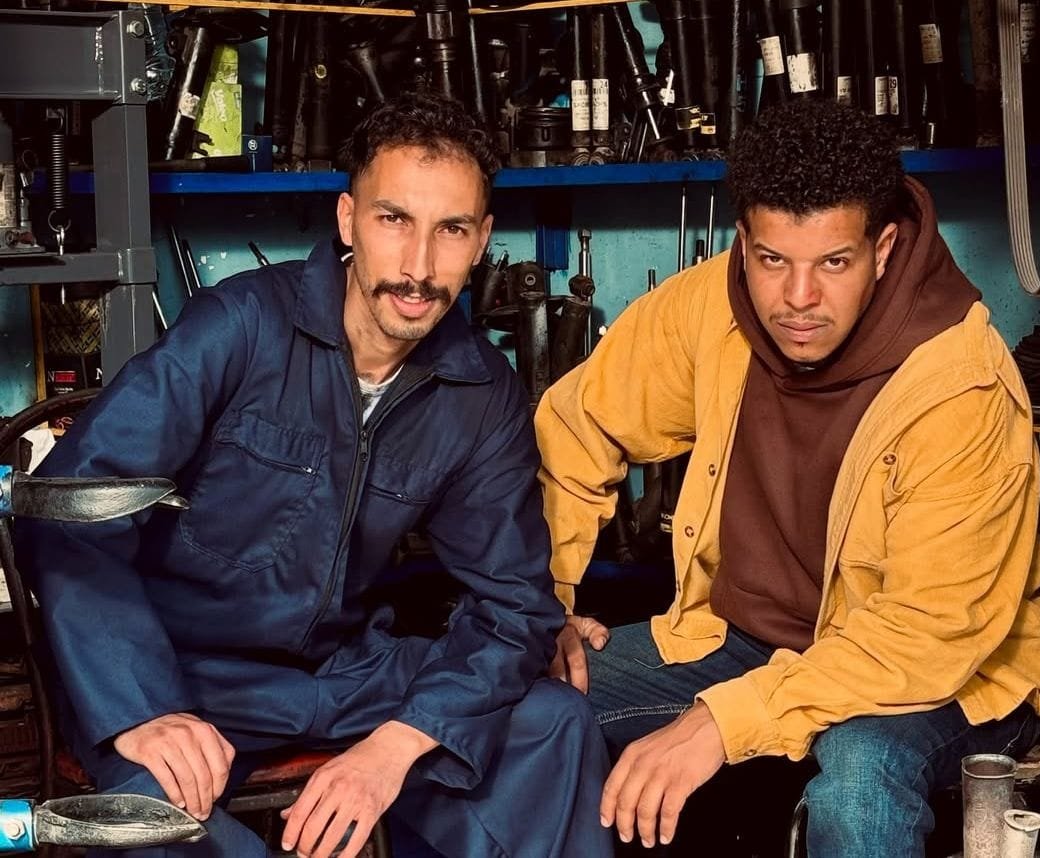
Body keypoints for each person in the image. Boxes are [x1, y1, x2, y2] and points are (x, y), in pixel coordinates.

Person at [20, 93, 612, 858]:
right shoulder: (238, 328)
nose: (419, 268)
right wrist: (141, 709)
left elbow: (512, 607)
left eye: (451, 230)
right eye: (393, 220)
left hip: (345, 674)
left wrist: (396, 744)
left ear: (482, 240)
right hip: (181, 675)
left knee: (553, 724)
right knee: (157, 814)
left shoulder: (480, 390)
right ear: (347, 220)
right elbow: (66, 513)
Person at [536, 98, 1040, 857]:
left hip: (951, 674)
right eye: (772, 260)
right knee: (527, 703)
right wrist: (540, 608)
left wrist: (723, 721)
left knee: (859, 776)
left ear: (883, 248)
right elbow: (577, 426)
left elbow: (926, 636)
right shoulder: (708, 309)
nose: (798, 299)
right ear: (743, 241)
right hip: (744, 642)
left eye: (833, 263)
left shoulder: (963, 386)